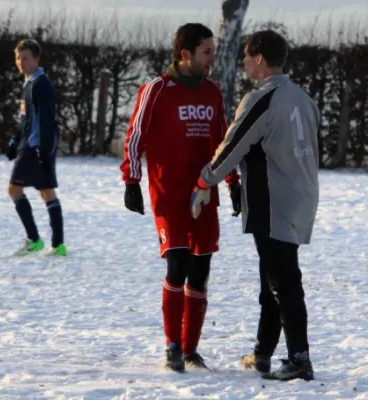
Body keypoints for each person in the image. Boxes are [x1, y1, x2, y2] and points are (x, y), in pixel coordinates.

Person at [191, 30, 320, 381]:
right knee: (273, 278)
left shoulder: (261, 99)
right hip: (301, 197)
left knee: (284, 280)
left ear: (260, 59)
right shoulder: (303, 98)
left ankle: (299, 358)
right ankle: (263, 352)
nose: (244, 62)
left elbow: (233, 147)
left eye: (247, 56)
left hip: (273, 200)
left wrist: (204, 181)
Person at [119, 23, 240, 372]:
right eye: (207, 52)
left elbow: (223, 144)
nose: (212, 58)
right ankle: (172, 345)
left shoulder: (213, 92)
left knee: (200, 271)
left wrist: (233, 183)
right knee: (178, 265)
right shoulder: (157, 89)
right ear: (185, 54)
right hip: (169, 195)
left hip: (204, 195)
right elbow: (135, 136)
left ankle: (190, 349)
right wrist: (131, 180)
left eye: (213, 51)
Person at [6, 39, 67, 257]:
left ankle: (34, 240)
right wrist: (14, 141)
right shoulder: (29, 83)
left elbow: (46, 122)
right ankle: (58, 245)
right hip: (29, 146)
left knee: (14, 190)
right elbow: (26, 120)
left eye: (25, 58)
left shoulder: (41, 84)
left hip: (34, 149)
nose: (21, 62)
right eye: (18, 58)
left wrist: (44, 150)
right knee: (46, 192)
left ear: (36, 59)